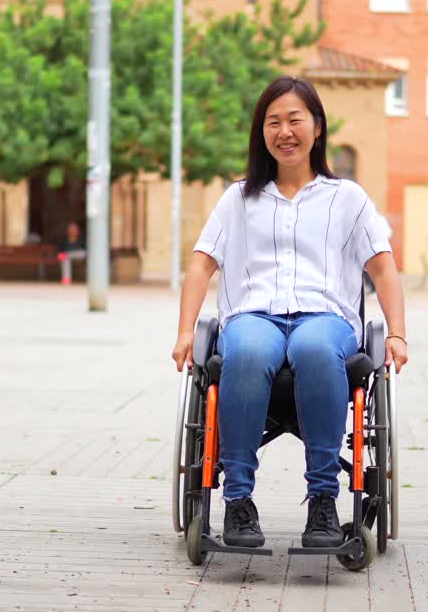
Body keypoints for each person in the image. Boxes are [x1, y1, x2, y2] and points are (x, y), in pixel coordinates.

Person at [171, 76, 408, 549]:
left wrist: (397, 334)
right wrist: (184, 333)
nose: (285, 131)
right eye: (273, 121)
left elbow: (383, 270)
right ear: (261, 132)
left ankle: (323, 501)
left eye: (294, 119)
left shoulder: (348, 199)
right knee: (250, 349)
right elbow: (201, 265)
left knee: (316, 348)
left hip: (325, 318)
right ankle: (238, 502)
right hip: (253, 317)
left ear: (317, 127)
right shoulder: (238, 198)